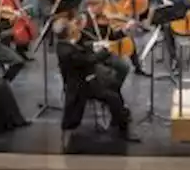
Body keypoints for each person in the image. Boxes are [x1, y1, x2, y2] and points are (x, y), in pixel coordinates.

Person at [56, 14, 139, 142]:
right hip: (82, 85)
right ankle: (123, 128)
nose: (75, 29)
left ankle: (118, 117)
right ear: (67, 32)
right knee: (113, 96)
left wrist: (93, 46)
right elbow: (89, 60)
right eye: (71, 28)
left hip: (86, 77)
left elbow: (81, 49)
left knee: (114, 86)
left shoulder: (64, 45)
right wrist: (105, 50)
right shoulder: (67, 51)